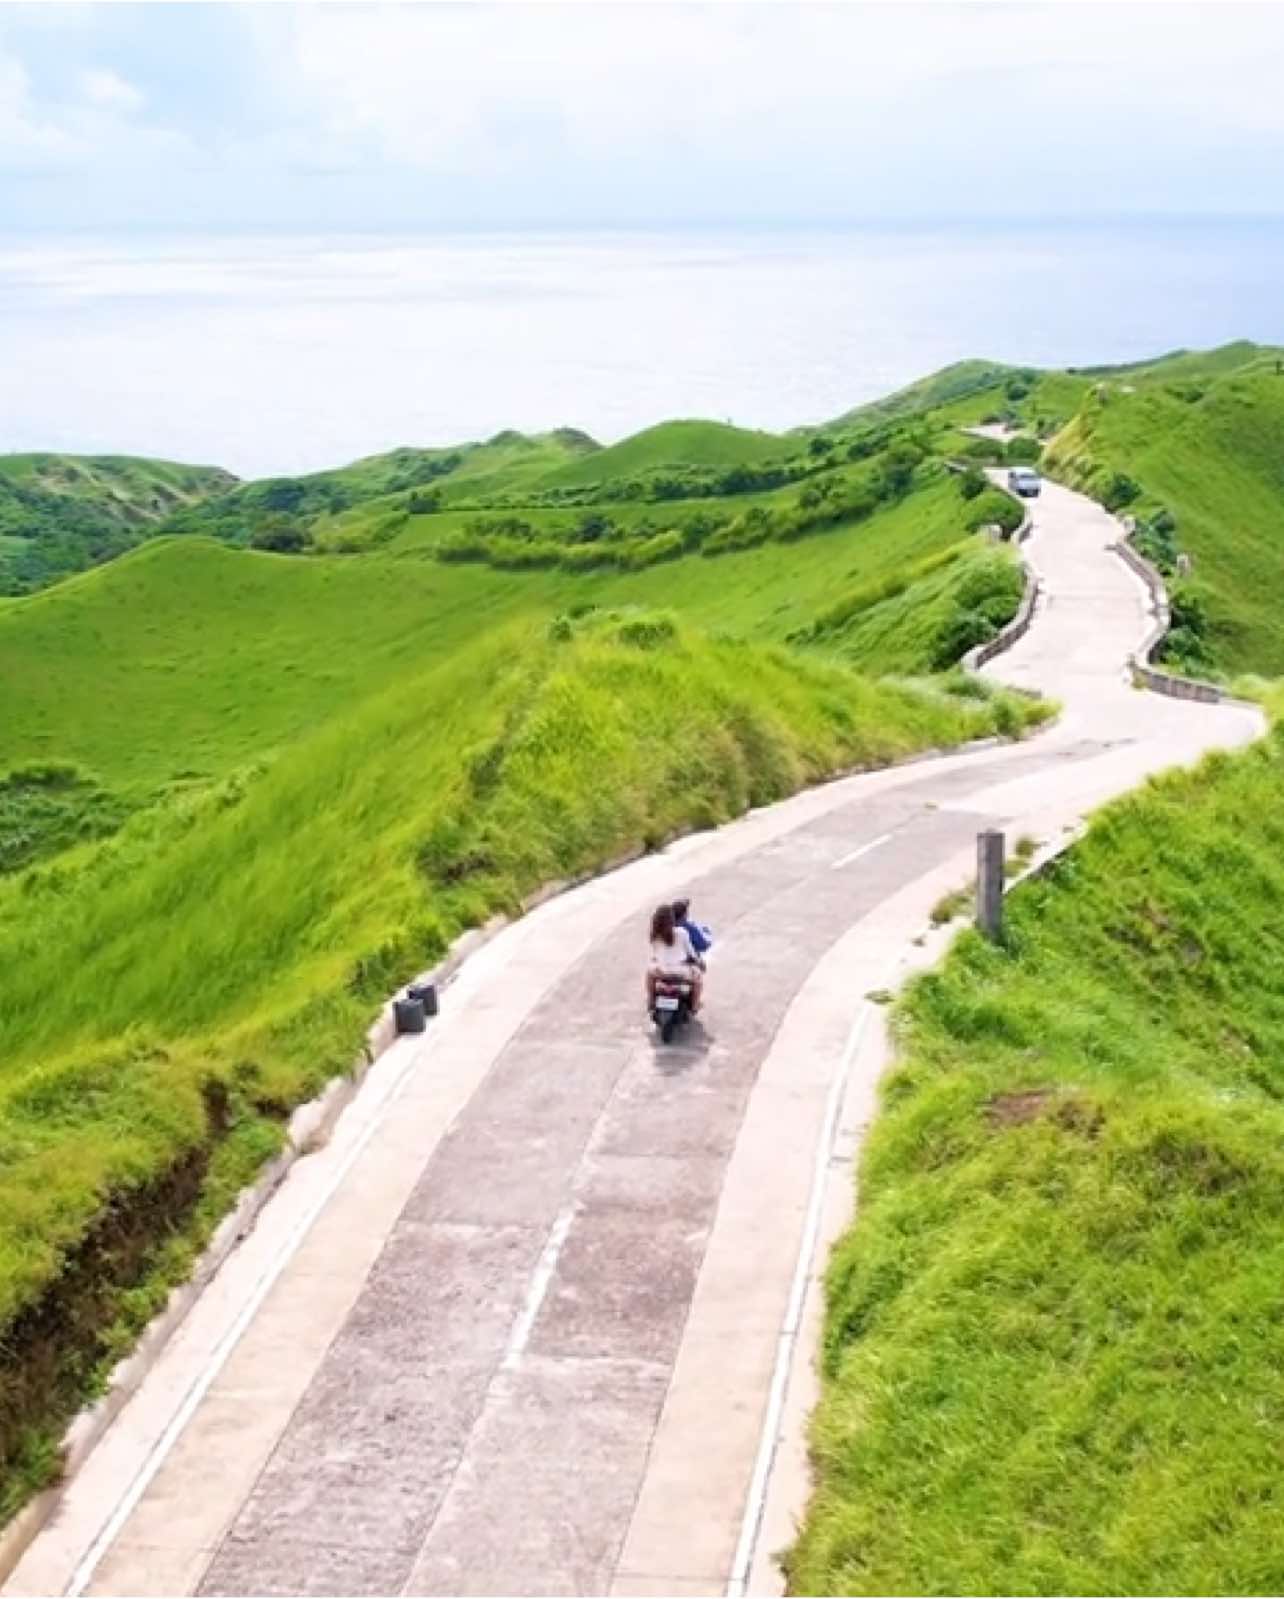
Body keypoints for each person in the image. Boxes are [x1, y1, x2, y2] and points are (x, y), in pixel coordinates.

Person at [647, 902, 703, 1014]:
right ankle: (695, 1005)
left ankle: (651, 1000)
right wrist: (699, 962)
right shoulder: (682, 933)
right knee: (698, 980)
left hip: (662, 972)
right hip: (681, 973)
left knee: (649, 974)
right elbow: (691, 953)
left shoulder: (654, 935)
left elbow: (656, 955)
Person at [672, 897, 713, 966]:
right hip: (685, 962)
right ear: (685, 914)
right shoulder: (688, 928)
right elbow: (703, 946)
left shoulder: (666, 926)